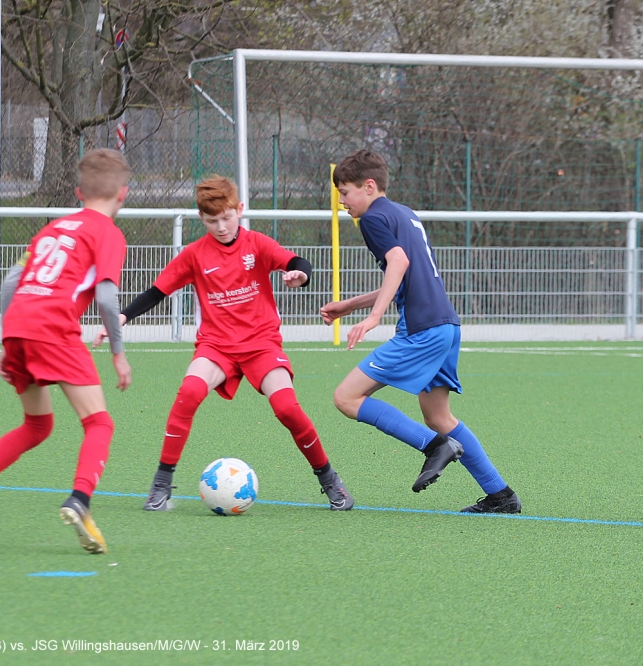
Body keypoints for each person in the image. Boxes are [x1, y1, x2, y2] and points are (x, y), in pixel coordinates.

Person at [97, 175, 353, 511]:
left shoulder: (257, 244)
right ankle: (161, 485)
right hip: (216, 346)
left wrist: (300, 275)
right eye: (211, 220)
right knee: (189, 393)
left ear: (240, 210)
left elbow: (296, 263)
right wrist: (123, 316)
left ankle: (330, 480)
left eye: (227, 218)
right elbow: (157, 292)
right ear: (200, 218)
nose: (221, 227)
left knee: (287, 409)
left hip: (261, 345)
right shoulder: (194, 255)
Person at [0, 148, 132, 554]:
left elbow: (12, 283)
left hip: (19, 327)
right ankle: (79, 500)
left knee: (37, 426)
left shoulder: (52, 229)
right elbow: (107, 298)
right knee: (99, 423)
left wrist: (8, 340)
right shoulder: (108, 234)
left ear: (78, 192)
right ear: (123, 194)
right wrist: (118, 353)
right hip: (54, 329)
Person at [322, 149, 520, 513]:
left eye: (345, 193)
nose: (342, 201)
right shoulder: (405, 214)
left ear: (369, 186)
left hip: (422, 331)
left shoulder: (372, 219)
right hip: (446, 326)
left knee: (346, 398)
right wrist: (350, 305)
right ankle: (501, 495)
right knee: (439, 417)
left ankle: (434, 446)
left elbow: (398, 262)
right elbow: (403, 275)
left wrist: (374, 317)